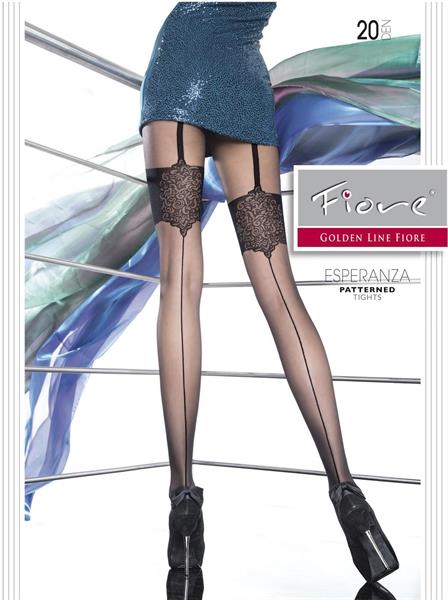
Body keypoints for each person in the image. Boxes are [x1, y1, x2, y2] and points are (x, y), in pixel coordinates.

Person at [139, 1, 399, 583]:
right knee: (280, 288)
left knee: (179, 280)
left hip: (178, 70)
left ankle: (184, 501)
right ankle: (347, 492)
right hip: (244, 85)